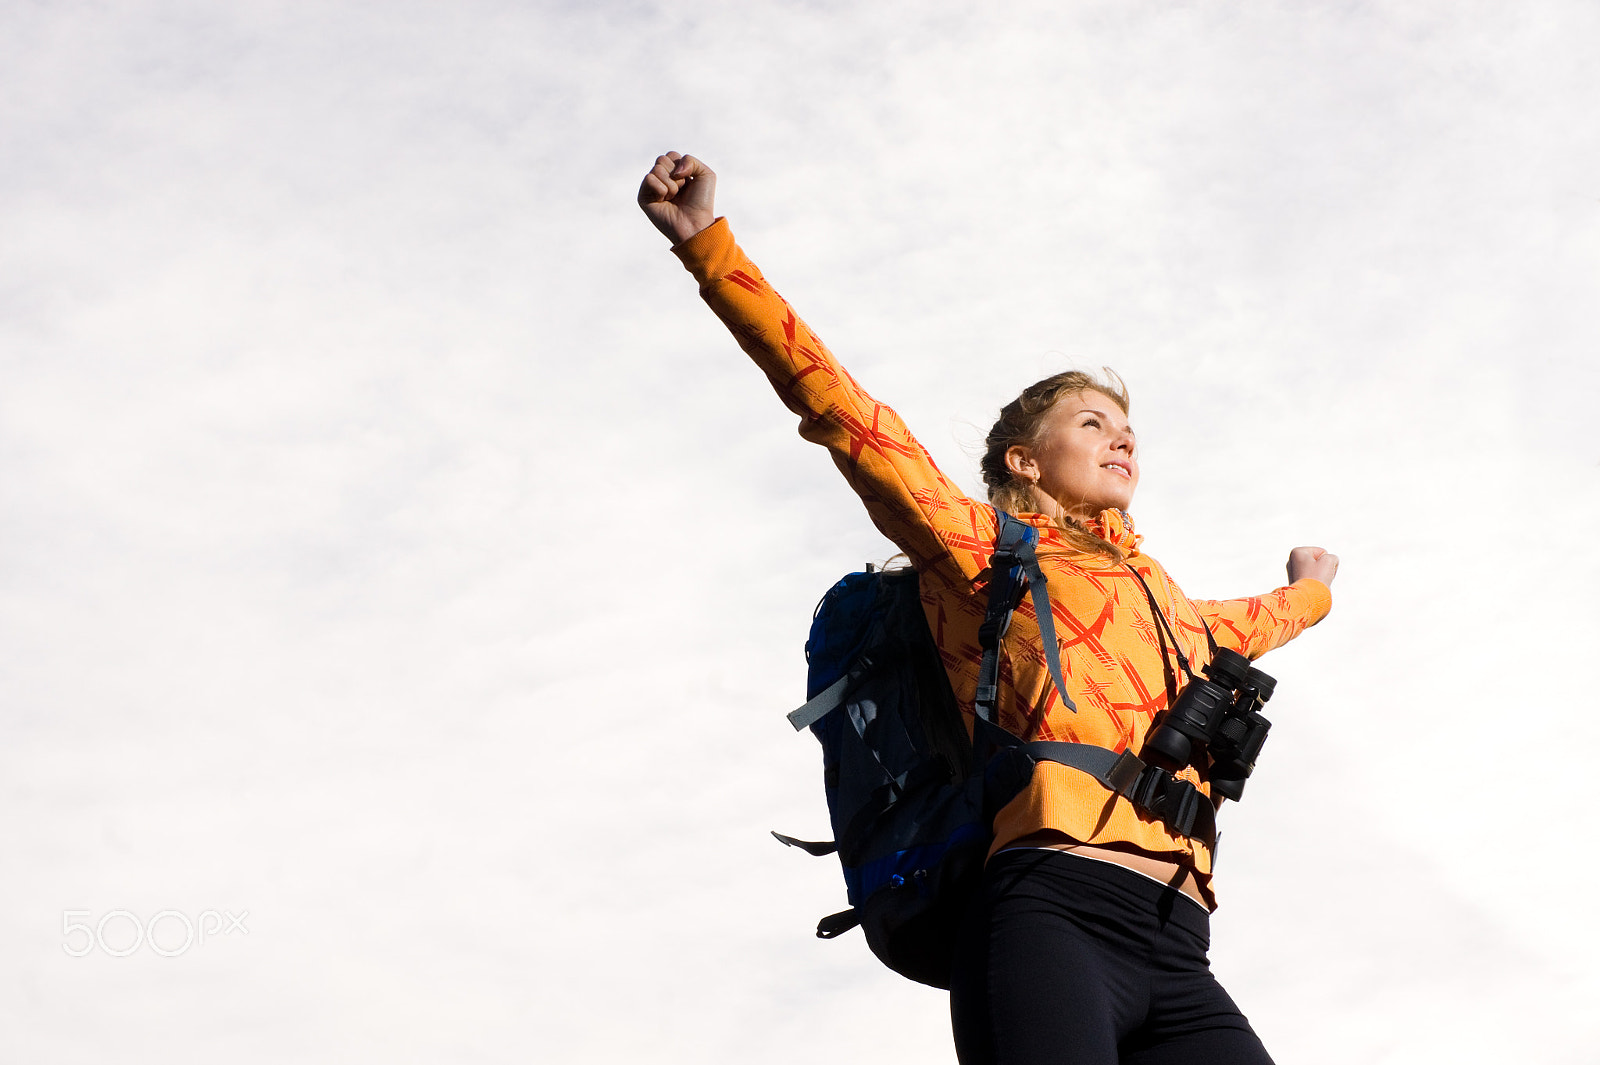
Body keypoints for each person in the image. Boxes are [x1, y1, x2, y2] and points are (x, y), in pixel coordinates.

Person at [639, 151, 1337, 1065]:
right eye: (1090, 423)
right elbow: (847, 417)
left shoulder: (1166, 601)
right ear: (1023, 460)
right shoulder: (982, 551)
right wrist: (709, 248)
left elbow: (1256, 624)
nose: (1120, 435)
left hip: (1181, 947)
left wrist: (1311, 589)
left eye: (1126, 428)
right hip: (1048, 913)